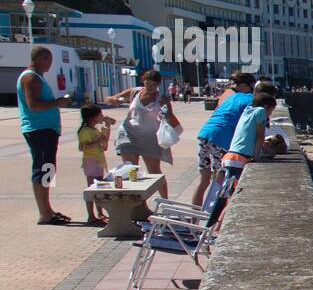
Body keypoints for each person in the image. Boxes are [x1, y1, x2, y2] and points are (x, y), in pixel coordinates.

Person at [17, 45, 75, 225]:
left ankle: (48, 210)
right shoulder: (30, 78)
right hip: (39, 129)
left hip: (45, 130)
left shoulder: (37, 77)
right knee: (43, 169)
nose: (50, 64)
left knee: (48, 169)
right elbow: (33, 105)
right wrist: (57, 102)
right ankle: (44, 213)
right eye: (49, 60)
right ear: (43, 59)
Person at [106, 69, 182, 200]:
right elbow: (109, 99)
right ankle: (137, 205)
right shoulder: (135, 92)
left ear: (158, 84)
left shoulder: (162, 100)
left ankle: (166, 201)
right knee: (130, 170)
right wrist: (114, 100)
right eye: (147, 84)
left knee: (154, 172)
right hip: (128, 134)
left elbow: (172, 119)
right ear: (143, 82)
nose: (149, 88)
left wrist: (171, 121)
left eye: (152, 85)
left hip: (150, 139)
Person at [190, 72, 255, 206]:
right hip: (221, 138)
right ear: (247, 85)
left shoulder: (231, 97)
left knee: (204, 180)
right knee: (221, 180)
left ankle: (193, 220)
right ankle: (213, 217)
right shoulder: (250, 100)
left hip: (205, 134)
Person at [220, 92, 277, 182]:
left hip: (230, 157)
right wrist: (256, 158)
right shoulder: (260, 111)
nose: (270, 114)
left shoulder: (247, 110)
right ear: (266, 106)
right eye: (271, 110)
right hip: (239, 159)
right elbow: (260, 136)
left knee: (228, 191)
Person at [78, 105, 114, 224]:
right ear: (92, 117)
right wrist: (97, 141)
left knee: (99, 189)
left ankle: (100, 213)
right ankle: (91, 215)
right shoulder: (85, 131)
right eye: (100, 115)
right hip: (91, 161)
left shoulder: (95, 130)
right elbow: (82, 147)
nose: (102, 117)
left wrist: (107, 125)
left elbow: (104, 142)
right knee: (91, 189)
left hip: (98, 161)